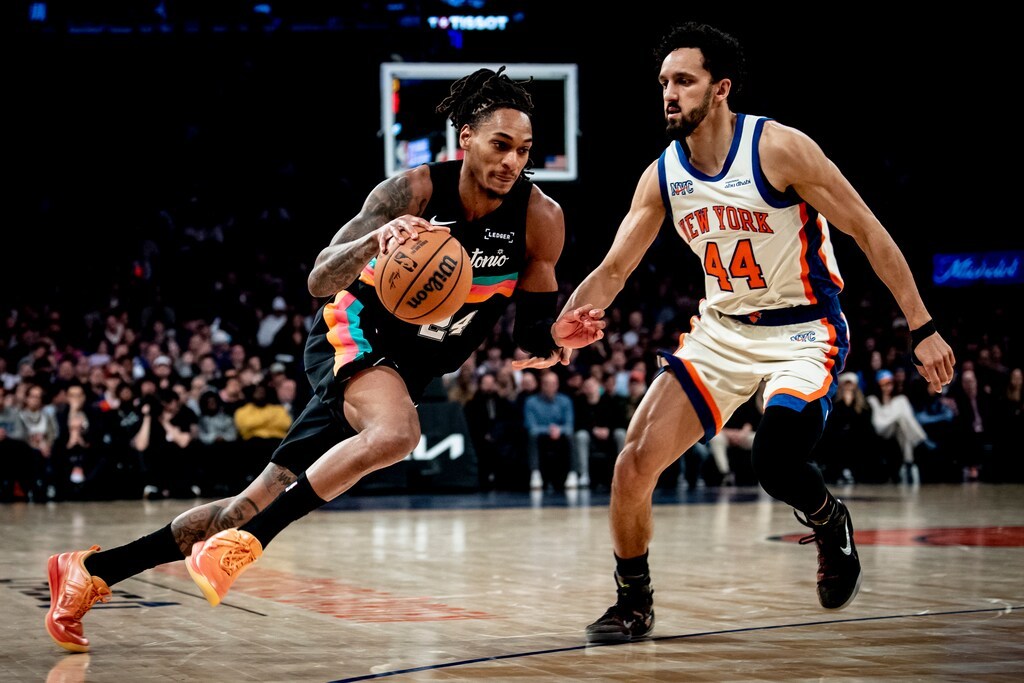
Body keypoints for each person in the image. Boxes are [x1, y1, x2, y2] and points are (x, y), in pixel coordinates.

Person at [44, 66, 601, 653]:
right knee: (398, 435)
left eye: (523, 150)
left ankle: (90, 572)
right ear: (466, 138)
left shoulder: (541, 219)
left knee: (247, 503)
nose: (512, 161)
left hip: (410, 369)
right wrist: (374, 241)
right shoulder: (412, 191)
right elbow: (318, 278)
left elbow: (531, 331)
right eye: (500, 144)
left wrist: (556, 336)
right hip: (355, 332)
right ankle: (248, 545)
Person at [537, 22, 956, 642]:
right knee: (632, 465)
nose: (669, 93)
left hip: (804, 329)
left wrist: (923, 326)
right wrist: (562, 329)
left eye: (684, 80)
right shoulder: (663, 175)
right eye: (664, 82)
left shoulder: (779, 149)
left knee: (774, 460)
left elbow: (868, 230)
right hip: (722, 332)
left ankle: (829, 519)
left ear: (721, 88)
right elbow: (615, 268)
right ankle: (633, 602)